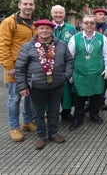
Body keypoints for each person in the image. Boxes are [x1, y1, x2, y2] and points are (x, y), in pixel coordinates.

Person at [15, 19, 73, 150]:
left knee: (54, 110)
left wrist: (65, 76)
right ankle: (41, 136)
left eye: (47, 28)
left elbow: (69, 61)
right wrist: (23, 86)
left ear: (52, 30)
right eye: (41, 28)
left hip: (57, 84)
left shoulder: (61, 45)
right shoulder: (28, 46)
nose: (45, 31)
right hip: (36, 86)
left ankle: (53, 133)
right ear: (37, 30)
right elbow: (20, 68)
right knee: (38, 113)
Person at [0, 0, 36, 142]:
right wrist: (9, 66)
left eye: (31, 4)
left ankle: (27, 122)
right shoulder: (9, 22)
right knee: (15, 98)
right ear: (19, 5)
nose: (28, 6)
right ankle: (14, 127)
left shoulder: (35, 22)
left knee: (29, 96)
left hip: (31, 66)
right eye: (25, 4)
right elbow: (3, 45)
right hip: (15, 67)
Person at [68, 15, 107, 131]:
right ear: (82, 24)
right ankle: (78, 118)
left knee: (96, 96)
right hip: (79, 74)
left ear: (95, 25)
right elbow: (69, 57)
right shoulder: (75, 38)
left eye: (92, 23)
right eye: (86, 23)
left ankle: (94, 114)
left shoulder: (102, 38)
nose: (89, 25)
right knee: (79, 98)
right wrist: (69, 73)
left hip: (96, 74)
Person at [51, 5, 77, 121]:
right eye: (56, 12)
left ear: (64, 14)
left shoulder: (71, 28)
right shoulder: (47, 27)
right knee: (50, 90)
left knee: (67, 90)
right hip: (50, 66)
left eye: (60, 13)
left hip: (67, 65)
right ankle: (51, 113)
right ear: (52, 14)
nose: (58, 15)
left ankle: (66, 112)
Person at [93, 8, 107, 111]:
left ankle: (101, 100)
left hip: (104, 59)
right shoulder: (91, 27)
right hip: (92, 58)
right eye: (100, 14)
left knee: (103, 81)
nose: (102, 16)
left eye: (104, 15)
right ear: (95, 16)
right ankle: (89, 102)